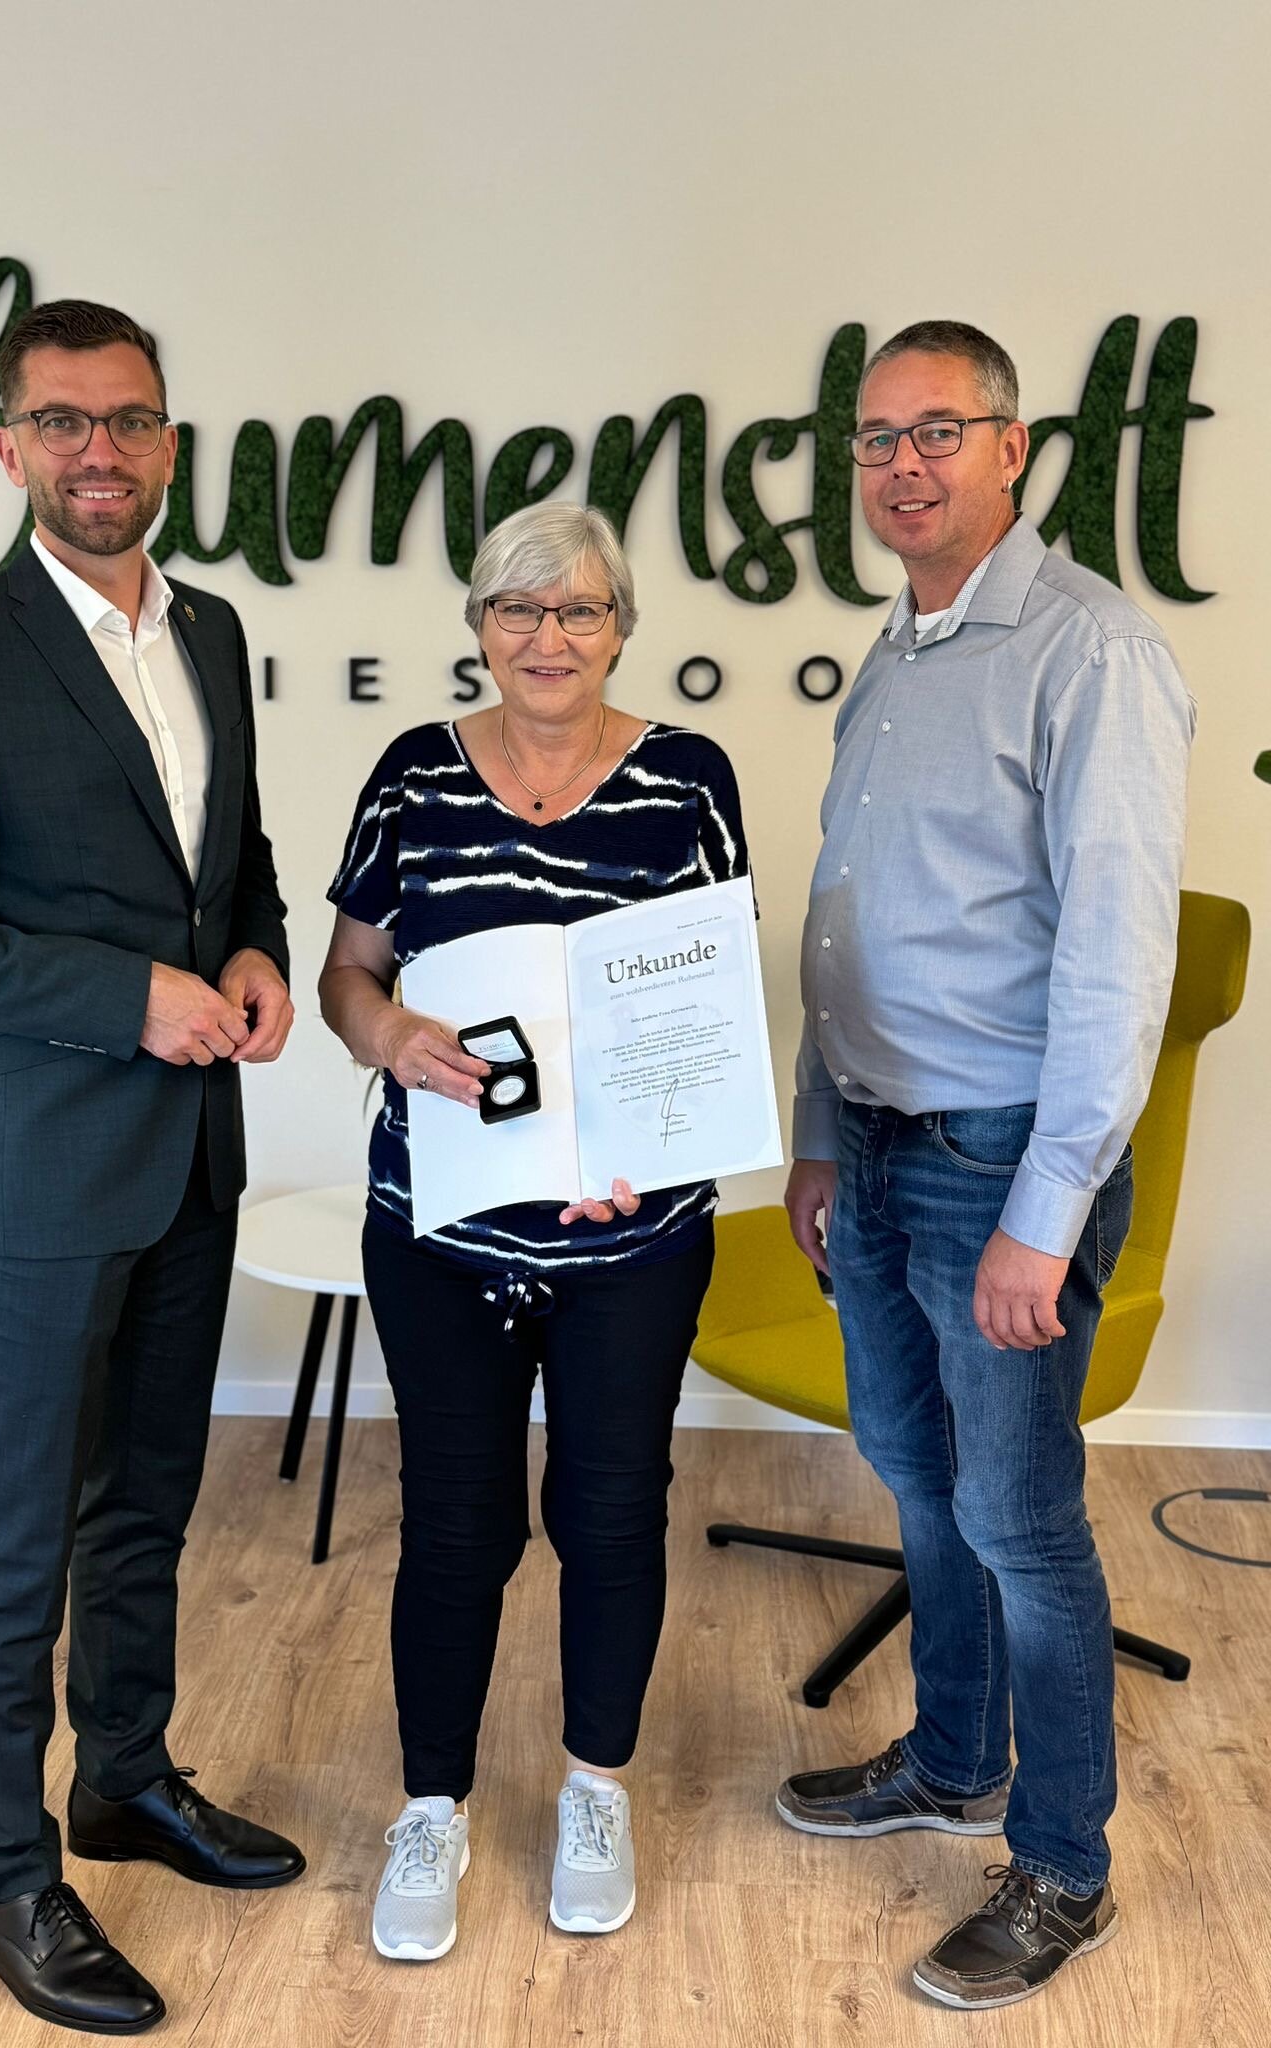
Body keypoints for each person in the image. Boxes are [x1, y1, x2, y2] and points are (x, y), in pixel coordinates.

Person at [0, 299, 305, 2036]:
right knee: (19, 1530)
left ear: (170, 442)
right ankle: (5, 1876)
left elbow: (228, 855)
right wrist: (127, 999)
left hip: (191, 1153)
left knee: (148, 1498)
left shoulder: (215, 628)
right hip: (37, 1168)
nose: (100, 452)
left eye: (130, 421)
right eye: (63, 422)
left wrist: (252, 951)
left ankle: (125, 1778)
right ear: (11, 446)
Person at [779, 320, 1195, 2011]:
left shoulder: (1092, 650)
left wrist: (1048, 1213)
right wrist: (819, 1135)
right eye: (876, 439)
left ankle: (1063, 1867)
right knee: (914, 1471)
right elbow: (848, 919)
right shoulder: (895, 652)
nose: (904, 466)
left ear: (1015, 448)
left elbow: (1116, 960)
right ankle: (953, 1761)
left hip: (998, 1156)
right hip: (877, 1147)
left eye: (938, 431)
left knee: (1020, 1518)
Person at [319, 502, 749, 1962]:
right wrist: (389, 1037)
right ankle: (429, 1808)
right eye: (517, 608)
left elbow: (709, 1008)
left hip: (634, 1240)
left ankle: (594, 1790)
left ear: (620, 627)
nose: (547, 637)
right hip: (439, 1230)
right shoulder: (413, 773)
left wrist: (653, 1147)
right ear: (481, 629)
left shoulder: (688, 779)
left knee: (613, 1513)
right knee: (456, 1524)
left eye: (578, 610)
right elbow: (349, 975)